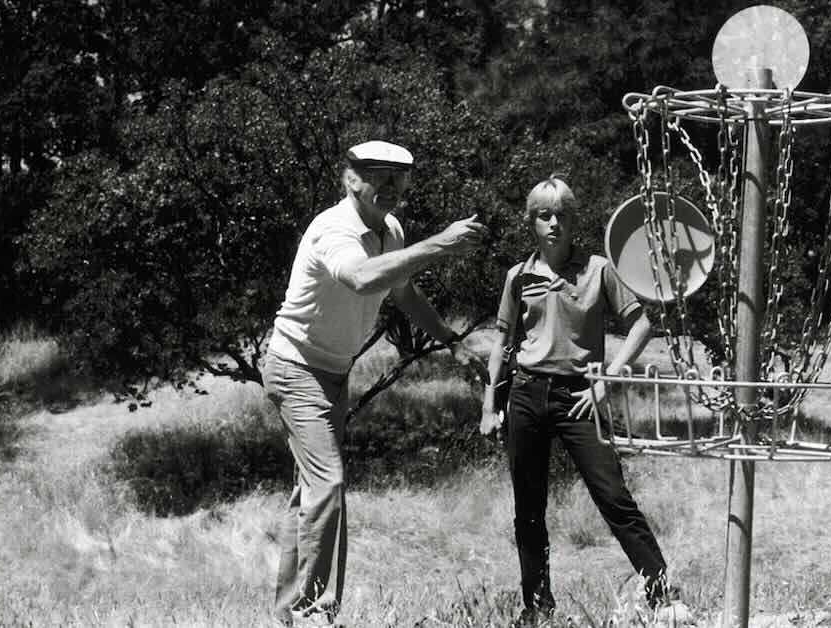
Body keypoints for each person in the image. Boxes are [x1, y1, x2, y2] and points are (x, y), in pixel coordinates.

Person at [262, 140, 487, 627]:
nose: (388, 186)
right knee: (328, 484)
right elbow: (364, 279)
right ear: (351, 181)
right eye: (376, 175)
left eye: (397, 176)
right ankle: (314, 613)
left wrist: (452, 341)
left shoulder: (390, 230)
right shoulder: (333, 229)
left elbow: (400, 289)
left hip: (332, 372)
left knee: (312, 493)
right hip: (295, 367)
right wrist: (440, 244)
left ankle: (289, 613)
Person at [480, 175, 686, 627]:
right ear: (531, 221)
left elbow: (641, 325)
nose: (553, 223)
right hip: (527, 394)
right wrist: (488, 406)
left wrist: (606, 381)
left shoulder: (598, 270)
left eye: (562, 215)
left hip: (581, 396)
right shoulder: (518, 277)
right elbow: (501, 340)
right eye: (544, 215)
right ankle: (537, 607)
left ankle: (663, 596)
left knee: (613, 495)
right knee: (528, 507)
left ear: (574, 220)